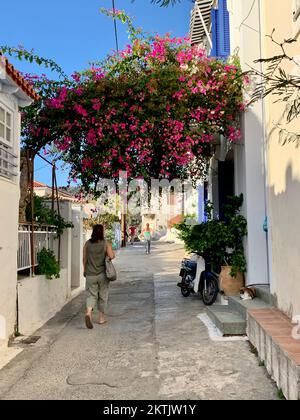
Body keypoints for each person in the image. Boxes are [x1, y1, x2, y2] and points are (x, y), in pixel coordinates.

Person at [83, 224, 115, 329]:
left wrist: (85, 270)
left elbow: (84, 259)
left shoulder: (87, 244)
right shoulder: (105, 243)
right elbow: (111, 256)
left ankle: (88, 312)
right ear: (102, 232)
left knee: (91, 295)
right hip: (102, 274)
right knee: (103, 295)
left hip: (90, 274)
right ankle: (101, 318)